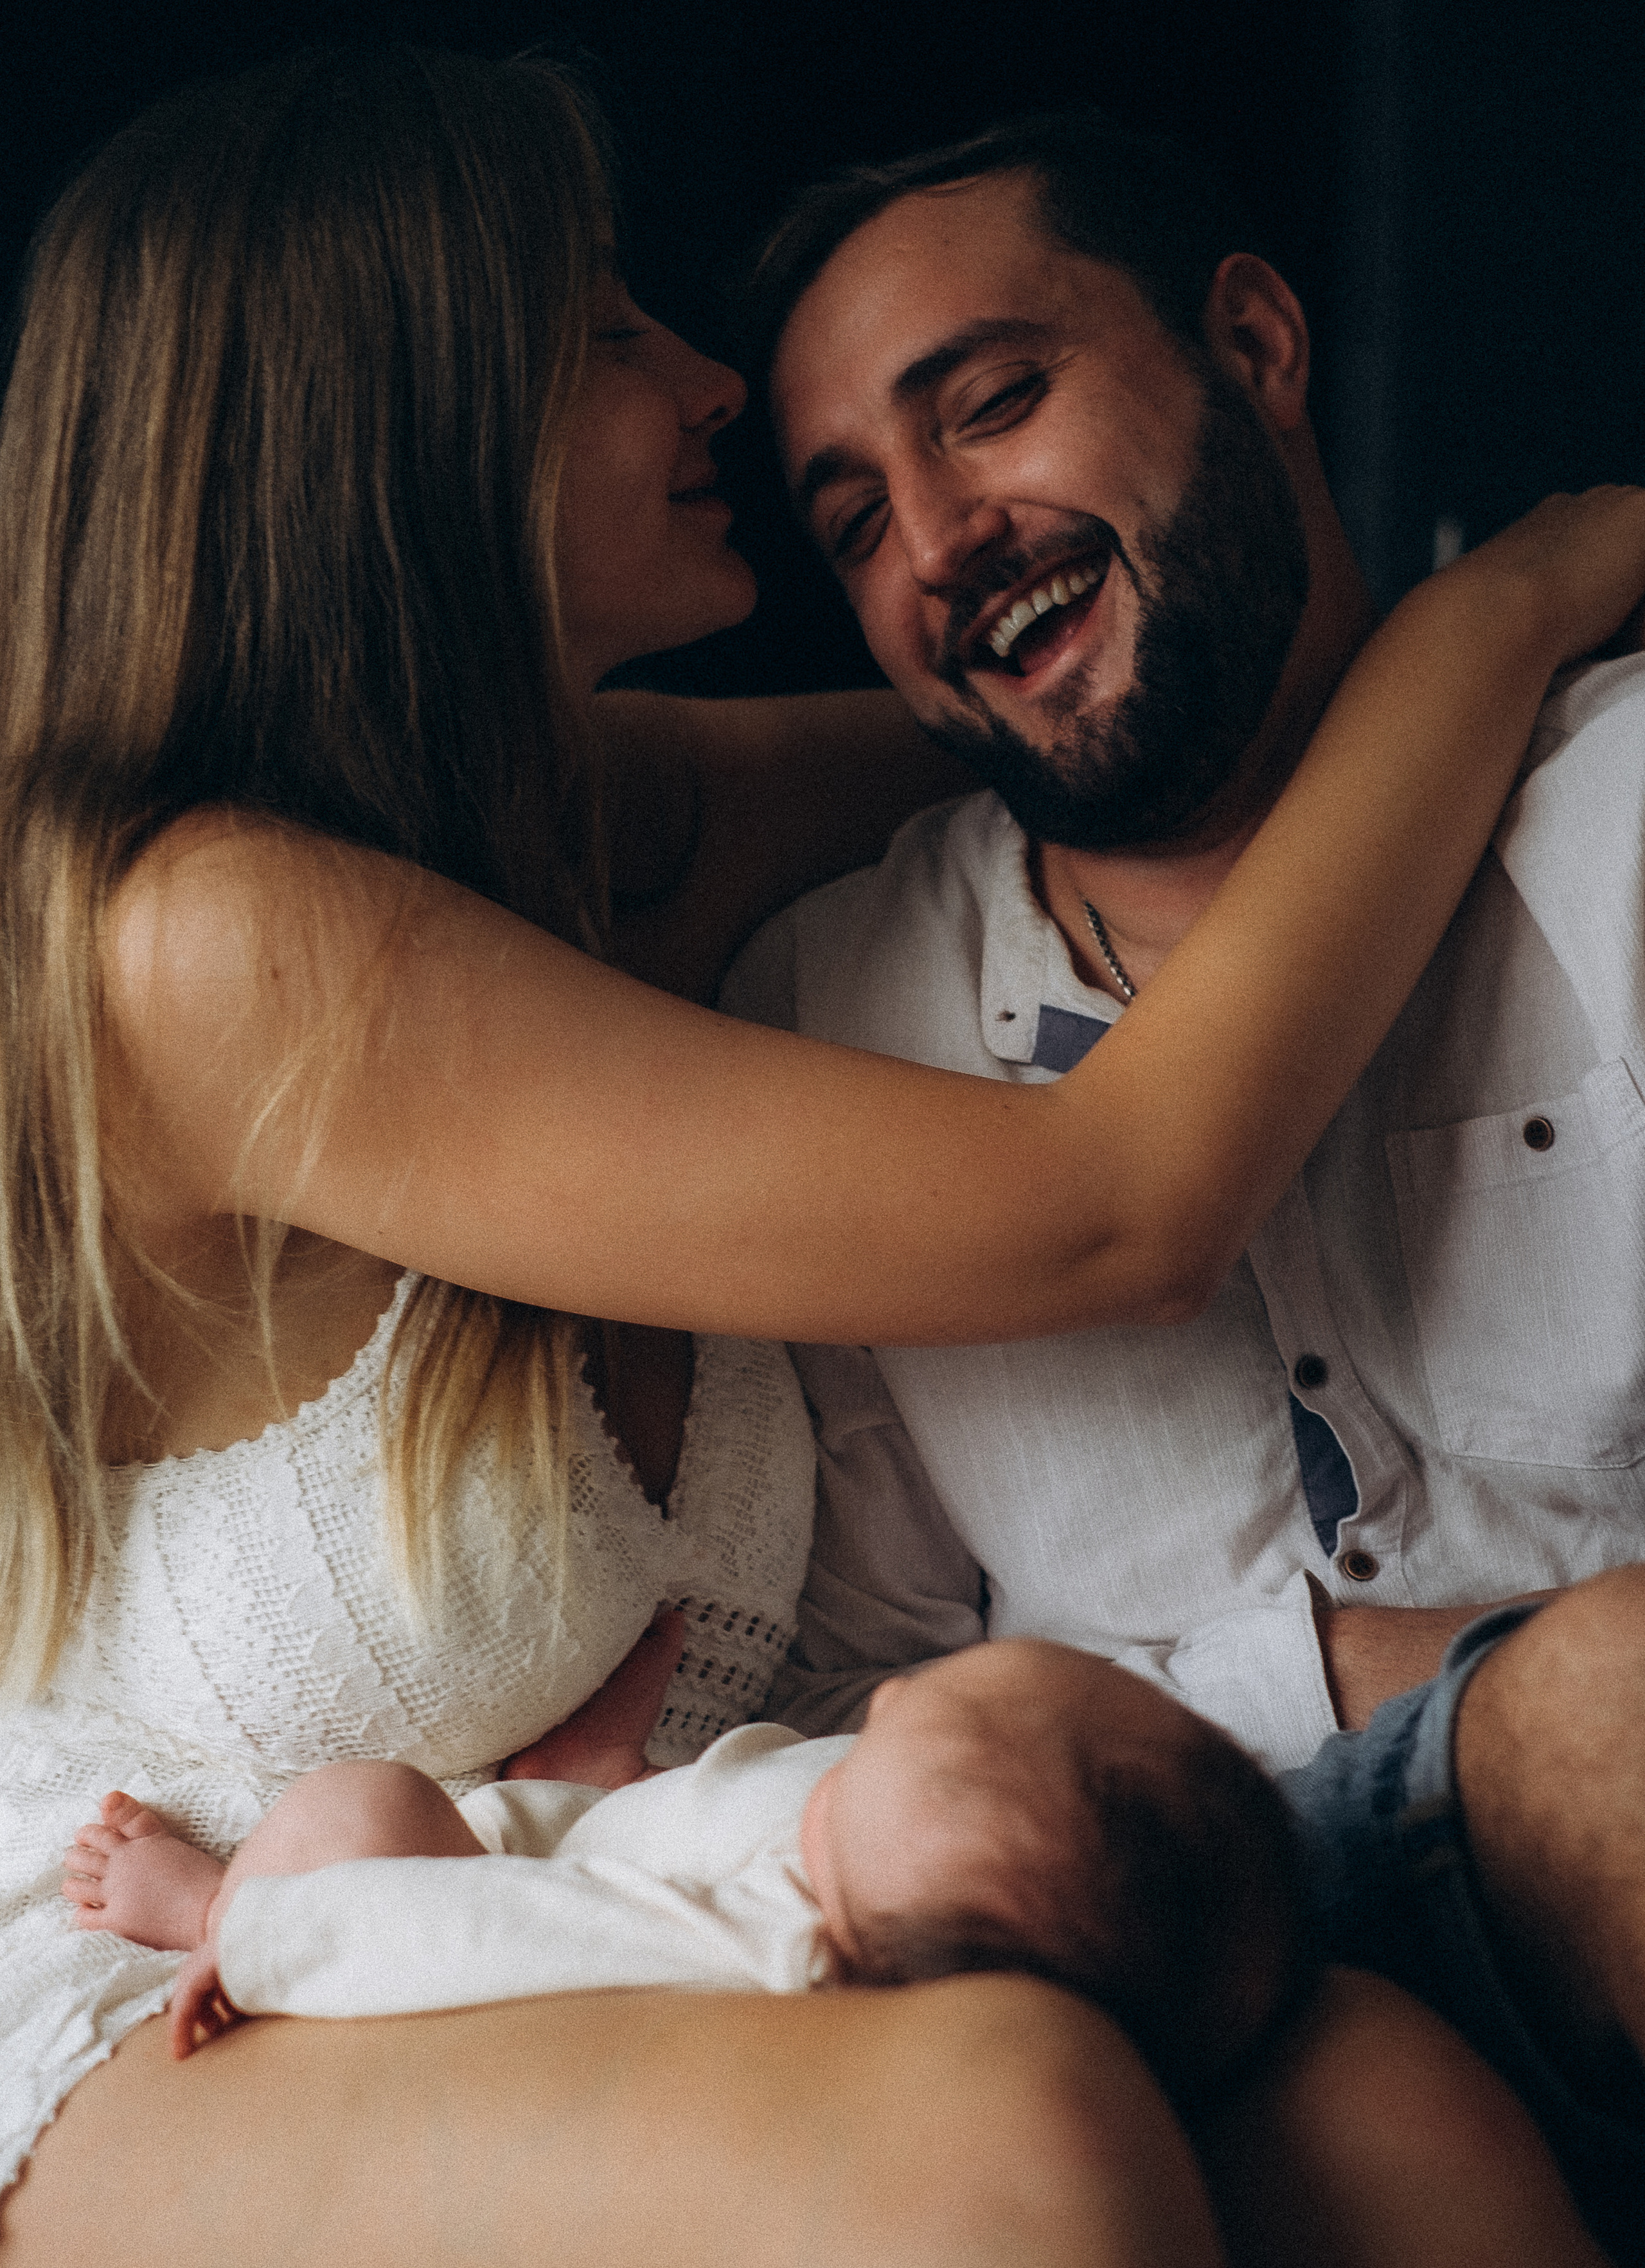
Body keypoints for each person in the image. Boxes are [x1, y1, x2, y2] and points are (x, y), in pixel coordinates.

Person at [1, 47, 1641, 2268]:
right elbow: (1120, 1203)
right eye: (596, 333)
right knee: (1012, 2127)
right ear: (400, 441)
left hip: (640, 1889)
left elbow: (1138, 714)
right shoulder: (217, 949)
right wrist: (1509, 599)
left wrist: (1398, 622)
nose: (705, 386)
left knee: (1395, 2120)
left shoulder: (602, 836)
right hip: (194, 1967)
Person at [722, 109, 1645, 2255]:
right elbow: (845, 1699)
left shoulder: (1617, 815)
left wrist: (1495, 1695)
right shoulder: (824, 1012)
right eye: (855, 515)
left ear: (1254, 342)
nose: (943, 538)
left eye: (995, 405)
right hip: (1104, 1966)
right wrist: (1348, 1677)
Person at [63, 1636, 1307, 2116]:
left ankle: (199, 1905)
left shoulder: (771, 1951)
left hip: (455, 1924)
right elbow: (741, 1809)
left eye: (912, 1733)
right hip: (601, 1833)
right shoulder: (875, 1870)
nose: (888, 1695)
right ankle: (604, 1781)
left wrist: (274, 1933)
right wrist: (626, 1784)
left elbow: (489, 1933)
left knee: (363, 1800)